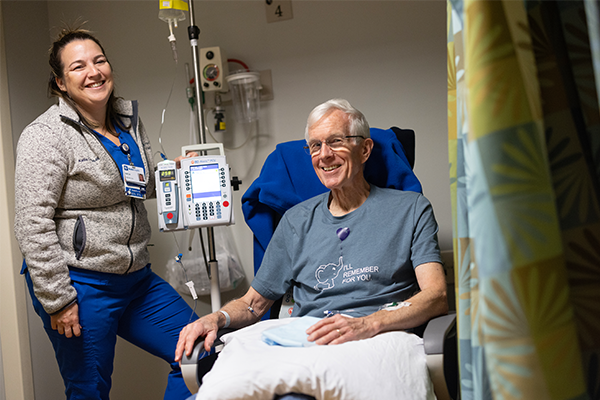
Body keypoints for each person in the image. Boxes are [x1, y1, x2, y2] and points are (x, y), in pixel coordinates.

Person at [175, 98, 448, 364]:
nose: (324, 154)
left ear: (365, 150)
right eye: (315, 146)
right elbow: (253, 304)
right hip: (307, 346)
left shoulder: (410, 209)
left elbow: (436, 297)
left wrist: (368, 324)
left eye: (336, 141)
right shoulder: (295, 221)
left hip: (378, 340)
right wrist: (216, 318)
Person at [14, 27, 197, 400]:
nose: (93, 72)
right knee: (89, 391)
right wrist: (59, 299)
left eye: (99, 61)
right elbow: (32, 224)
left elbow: (138, 185)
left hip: (135, 279)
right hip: (81, 284)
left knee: (200, 351)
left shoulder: (127, 119)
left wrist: (172, 171)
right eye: (78, 66)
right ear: (61, 83)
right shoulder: (46, 135)